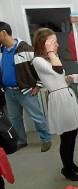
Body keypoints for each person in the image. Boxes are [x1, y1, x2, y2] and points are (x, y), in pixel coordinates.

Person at [32, 28, 78, 181]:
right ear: (44, 43)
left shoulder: (50, 58)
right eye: (53, 42)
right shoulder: (38, 60)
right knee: (66, 136)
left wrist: (66, 79)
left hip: (66, 95)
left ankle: (71, 163)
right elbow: (58, 69)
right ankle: (66, 169)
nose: (57, 45)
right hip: (58, 99)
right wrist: (50, 52)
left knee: (73, 132)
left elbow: (58, 74)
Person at [0, 21, 52, 152]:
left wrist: (39, 85)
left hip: (26, 91)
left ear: (3, 33)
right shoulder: (2, 51)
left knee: (37, 116)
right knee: (14, 118)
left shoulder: (25, 49)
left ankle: (46, 139)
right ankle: (21, 140)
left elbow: (42, 66)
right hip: (9, 92)